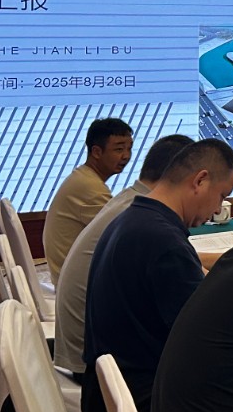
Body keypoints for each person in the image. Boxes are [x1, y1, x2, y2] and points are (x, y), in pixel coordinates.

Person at [79, 138, 233, 412]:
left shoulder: (133, 217)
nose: (217, 209)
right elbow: (205, 342)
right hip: (131, 410)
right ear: (200, 180)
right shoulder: (163, 241)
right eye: (222, 196)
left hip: (106, 397)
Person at [52, 133, 192, 375]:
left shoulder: (132, 201)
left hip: (88, 344)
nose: (125, 156)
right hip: (95, 361)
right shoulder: (146, 219)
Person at [43, 116, 134, 282]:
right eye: (119, 149)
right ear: (97, 152)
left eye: (129, 148)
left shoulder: (83, 177)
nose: (126, 156)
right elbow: (124, 236)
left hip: (71, 278)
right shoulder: (89, 188)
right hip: (79, 286)